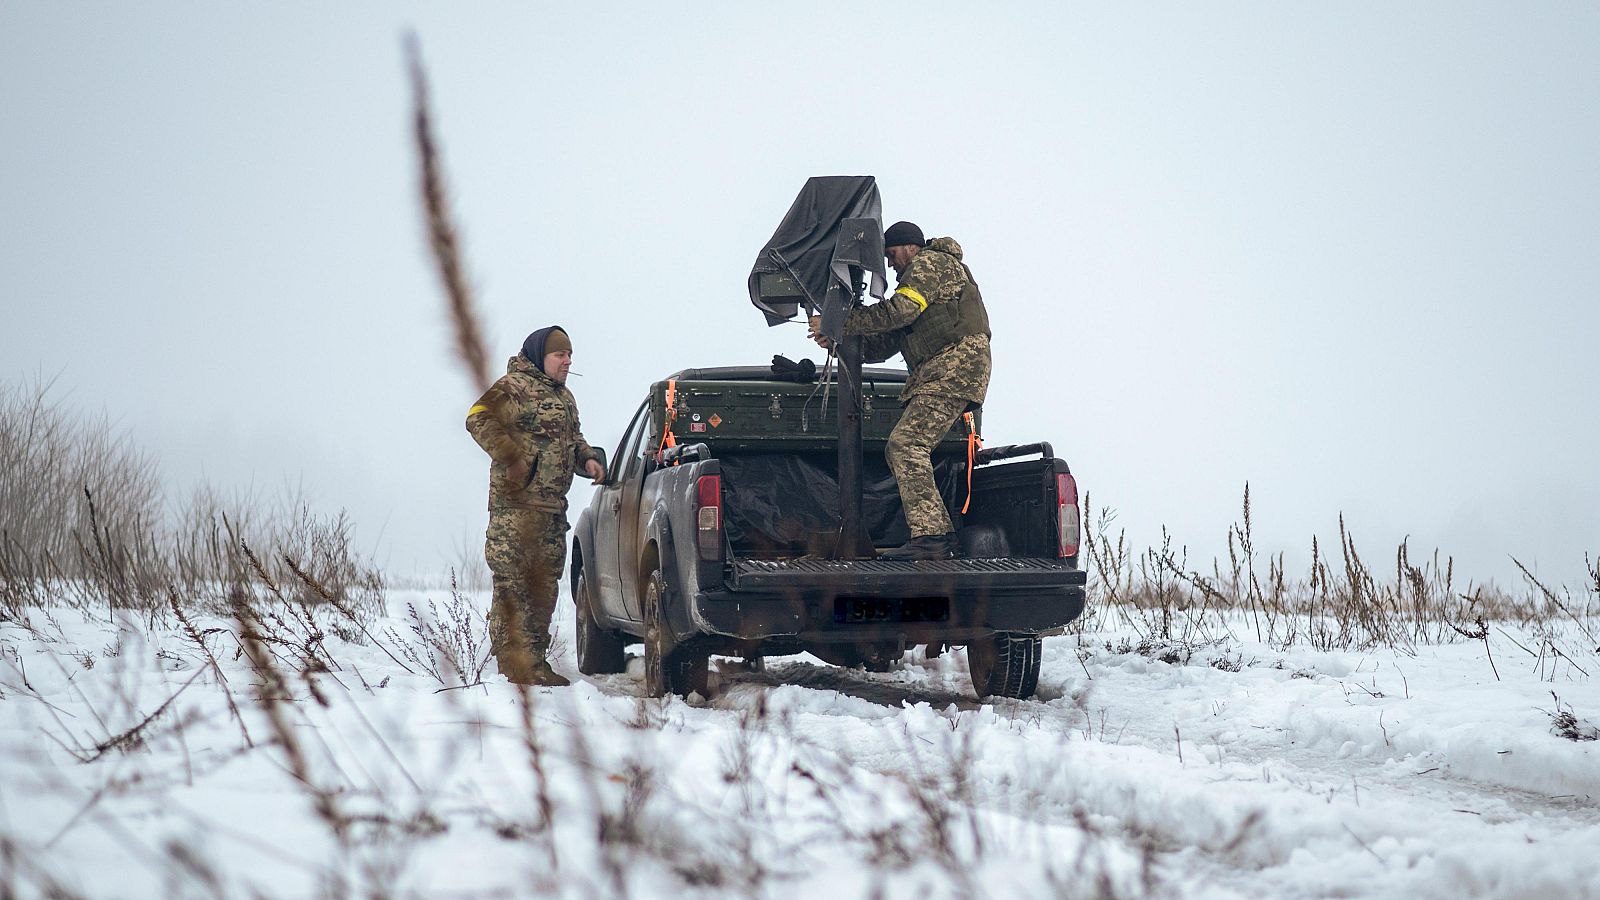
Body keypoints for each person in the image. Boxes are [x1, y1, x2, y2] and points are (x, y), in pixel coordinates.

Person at [810, 220, 991, 560]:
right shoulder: (923, 283)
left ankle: (932, 539)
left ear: (911, 247)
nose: (890, 265)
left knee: (906, 444)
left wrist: (839, 321)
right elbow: (883, 344)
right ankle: (935, 536)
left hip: (953, 368)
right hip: (944, 371)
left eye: (891, 255)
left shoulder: (931, 263)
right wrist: (836, 340)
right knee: (906, 445)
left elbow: (900, 310)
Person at [466, 326, 606, 686]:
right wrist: (512, 457)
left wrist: (588, 459)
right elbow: (478, 416)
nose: (567, 361)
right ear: (541, 356)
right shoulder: (515, 387)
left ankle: (534, 664)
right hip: (516, 510)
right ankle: (511, 668)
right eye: (560, 355)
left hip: (550, 512)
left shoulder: (565, 398)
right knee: (513, 587)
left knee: (544, 588)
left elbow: (573, 440)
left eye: (570, 355)